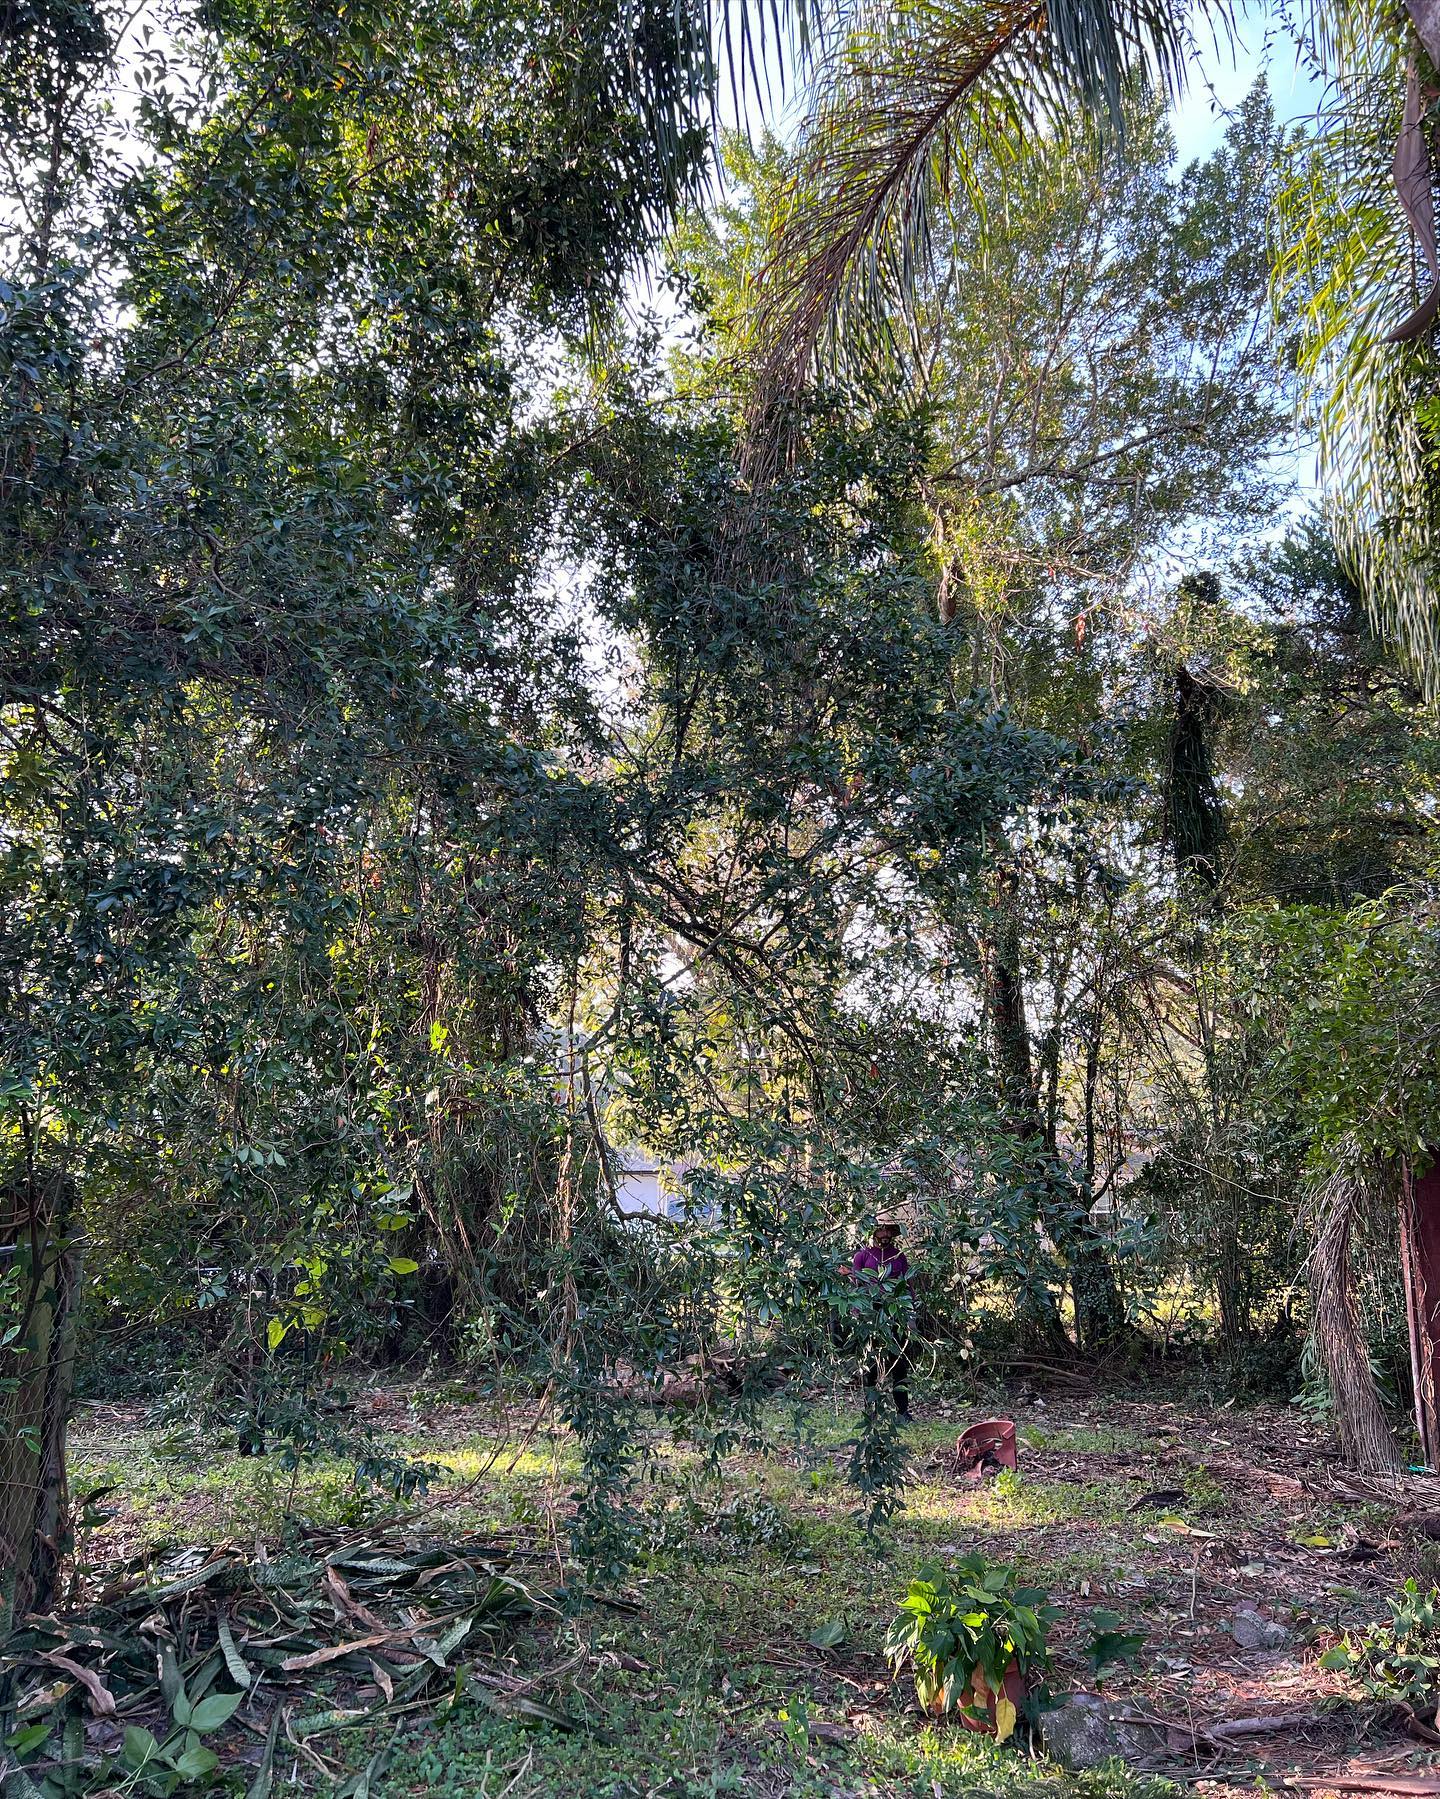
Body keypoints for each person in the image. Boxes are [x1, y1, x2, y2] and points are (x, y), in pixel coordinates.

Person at [846, 1218, 914, 1420]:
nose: (885, 1235)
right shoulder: (862, 1255)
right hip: (871, 1315)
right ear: (873, 1232)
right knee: (871, 1364)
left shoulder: (899, 1257)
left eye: (889, 1231)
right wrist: (857, 1313)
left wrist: (911, 1314)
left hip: (896, 1313)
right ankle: (871, 1411)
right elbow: (856, 1284)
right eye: (881, 1231)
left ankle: (903, 1412)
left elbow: (907, 1284)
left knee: (899, 1364)